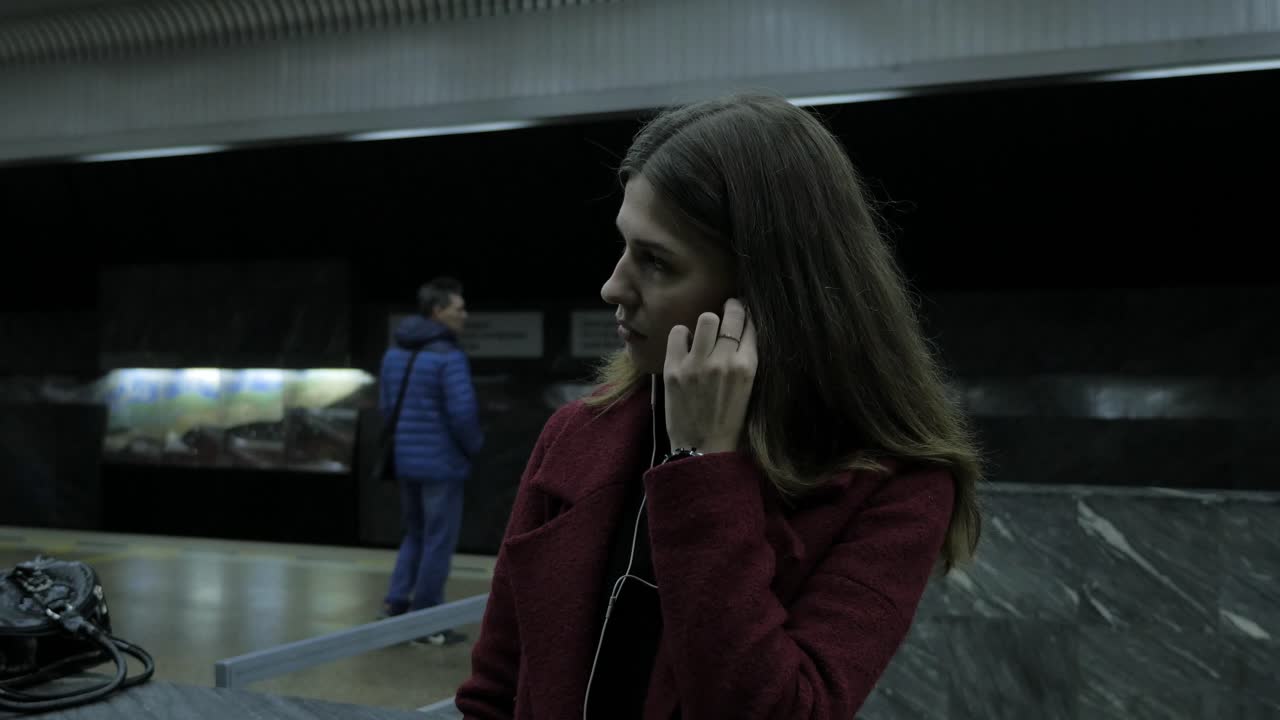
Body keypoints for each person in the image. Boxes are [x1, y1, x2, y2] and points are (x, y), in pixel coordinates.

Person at [456, 94, 982, 718]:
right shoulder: (578, 435)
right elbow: (494, 691)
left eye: (656, 261)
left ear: (766, 293)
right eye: (624, 247)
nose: (613, 286)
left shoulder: (898, 489)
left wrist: (703, 468)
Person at [380, 276, 484, 646]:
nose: (465, 315)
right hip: (442, 463)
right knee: (439, 539)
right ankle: (428, 619)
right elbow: (462, 414)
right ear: (438, 311)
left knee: (415, 533)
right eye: (459, 308)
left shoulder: (394, 353)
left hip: (406, 460)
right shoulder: (448, 357)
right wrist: (474, 447)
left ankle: (396, 603)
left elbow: (386, 408)